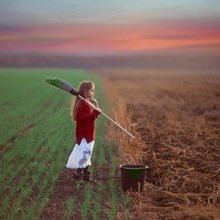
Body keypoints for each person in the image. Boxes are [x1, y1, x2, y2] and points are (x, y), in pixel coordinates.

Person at [66, 81, 102, 184]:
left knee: (87, 155)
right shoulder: (82, 103)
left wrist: (95, 106)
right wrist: (95, 112)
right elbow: (85, 118)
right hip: (85, 135)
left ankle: (86, 176)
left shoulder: (86, 102)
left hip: (89, 134)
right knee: (84, 155)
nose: (93, 92)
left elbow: (90, 118)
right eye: (91, 90)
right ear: (86, 91)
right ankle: (77, 176)